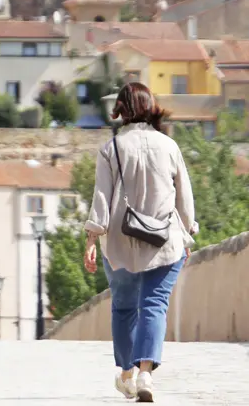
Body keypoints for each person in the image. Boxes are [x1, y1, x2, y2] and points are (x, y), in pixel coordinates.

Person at [83, 82, 197, 403]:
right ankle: (147, 372)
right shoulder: (169, 146)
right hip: (165, 240)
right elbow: (184, 200)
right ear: (150, 106)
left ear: (121, 109)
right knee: (154, 305)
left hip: (119, 242)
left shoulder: (111, 149)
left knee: (123, 307)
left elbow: (101, 201)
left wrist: (92, 240)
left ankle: (127, 375)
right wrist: (186, 233)